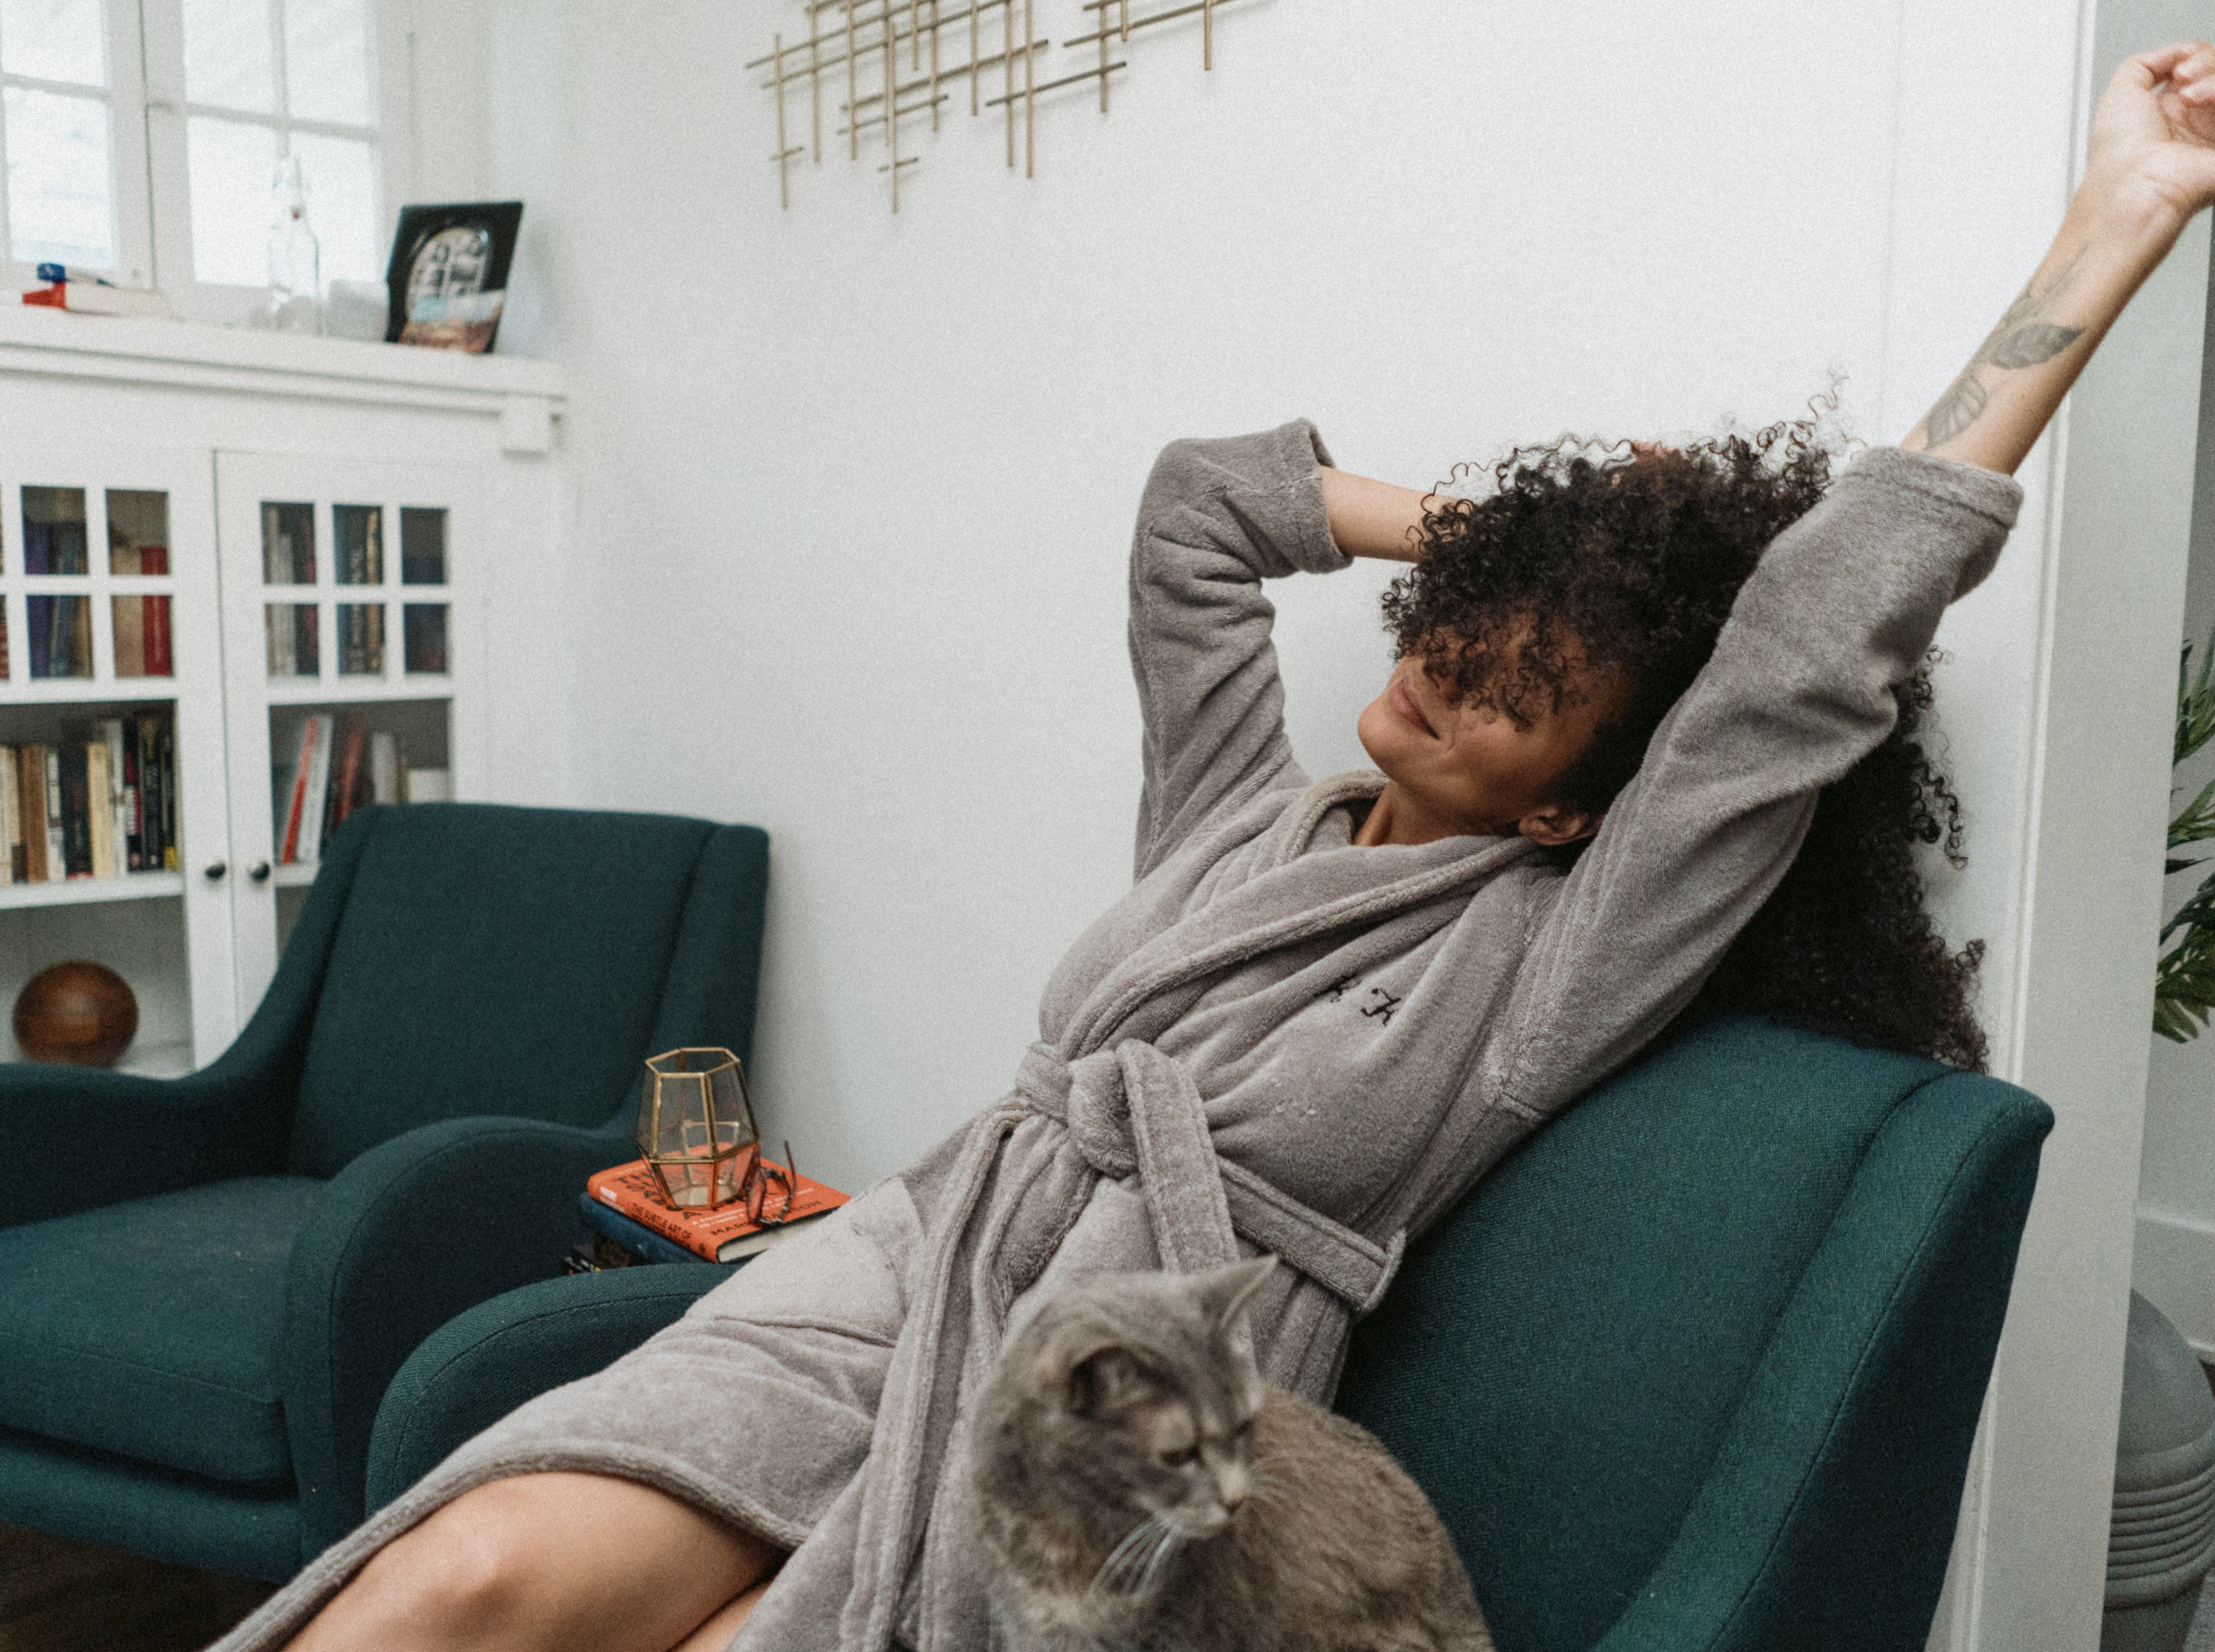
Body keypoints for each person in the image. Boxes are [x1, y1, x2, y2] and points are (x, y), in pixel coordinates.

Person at [214, 41, 2215, 1652]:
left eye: (1514, 687)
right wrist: (1515, 546)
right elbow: (1194, 515)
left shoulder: (1543, 966)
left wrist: (2115, 215)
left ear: (1570, 805)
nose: (1437, 672)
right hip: (911, 1262)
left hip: (1121, 1390)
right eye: (1455, 636)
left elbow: (1807, 650)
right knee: (457, 1584)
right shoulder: (1241, 804)